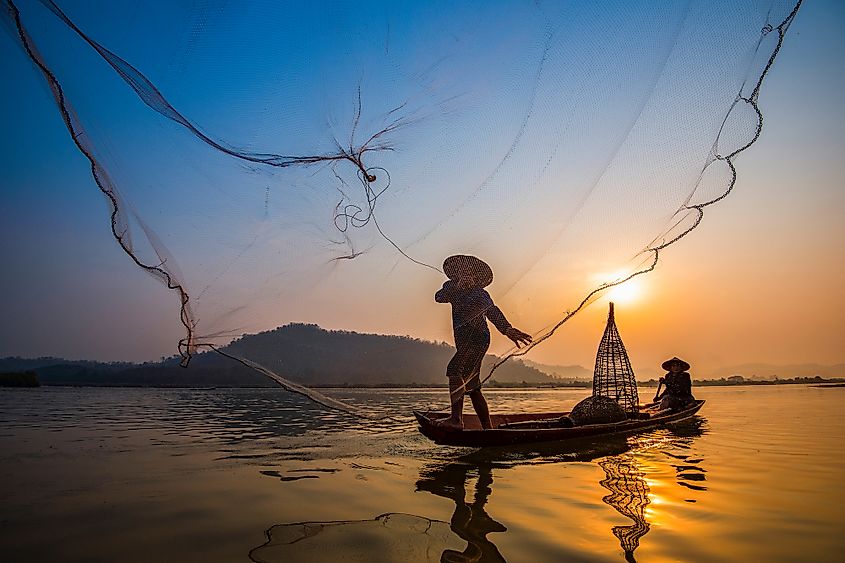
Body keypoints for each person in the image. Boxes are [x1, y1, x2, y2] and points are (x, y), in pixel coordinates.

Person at [434, 255, 532, 430]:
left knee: (455, 370)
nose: (465, 274)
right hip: (463, 340)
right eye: (462, 271)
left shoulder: (480, 293)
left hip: (478, 338)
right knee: (472, 386)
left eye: (469, 272)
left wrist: (507, 329)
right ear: (456, 274)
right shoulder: (451, 289)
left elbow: (492, 311)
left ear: (475, 276)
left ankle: (456, 420)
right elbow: (439, 297)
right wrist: (457, 287)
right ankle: (488, 428)